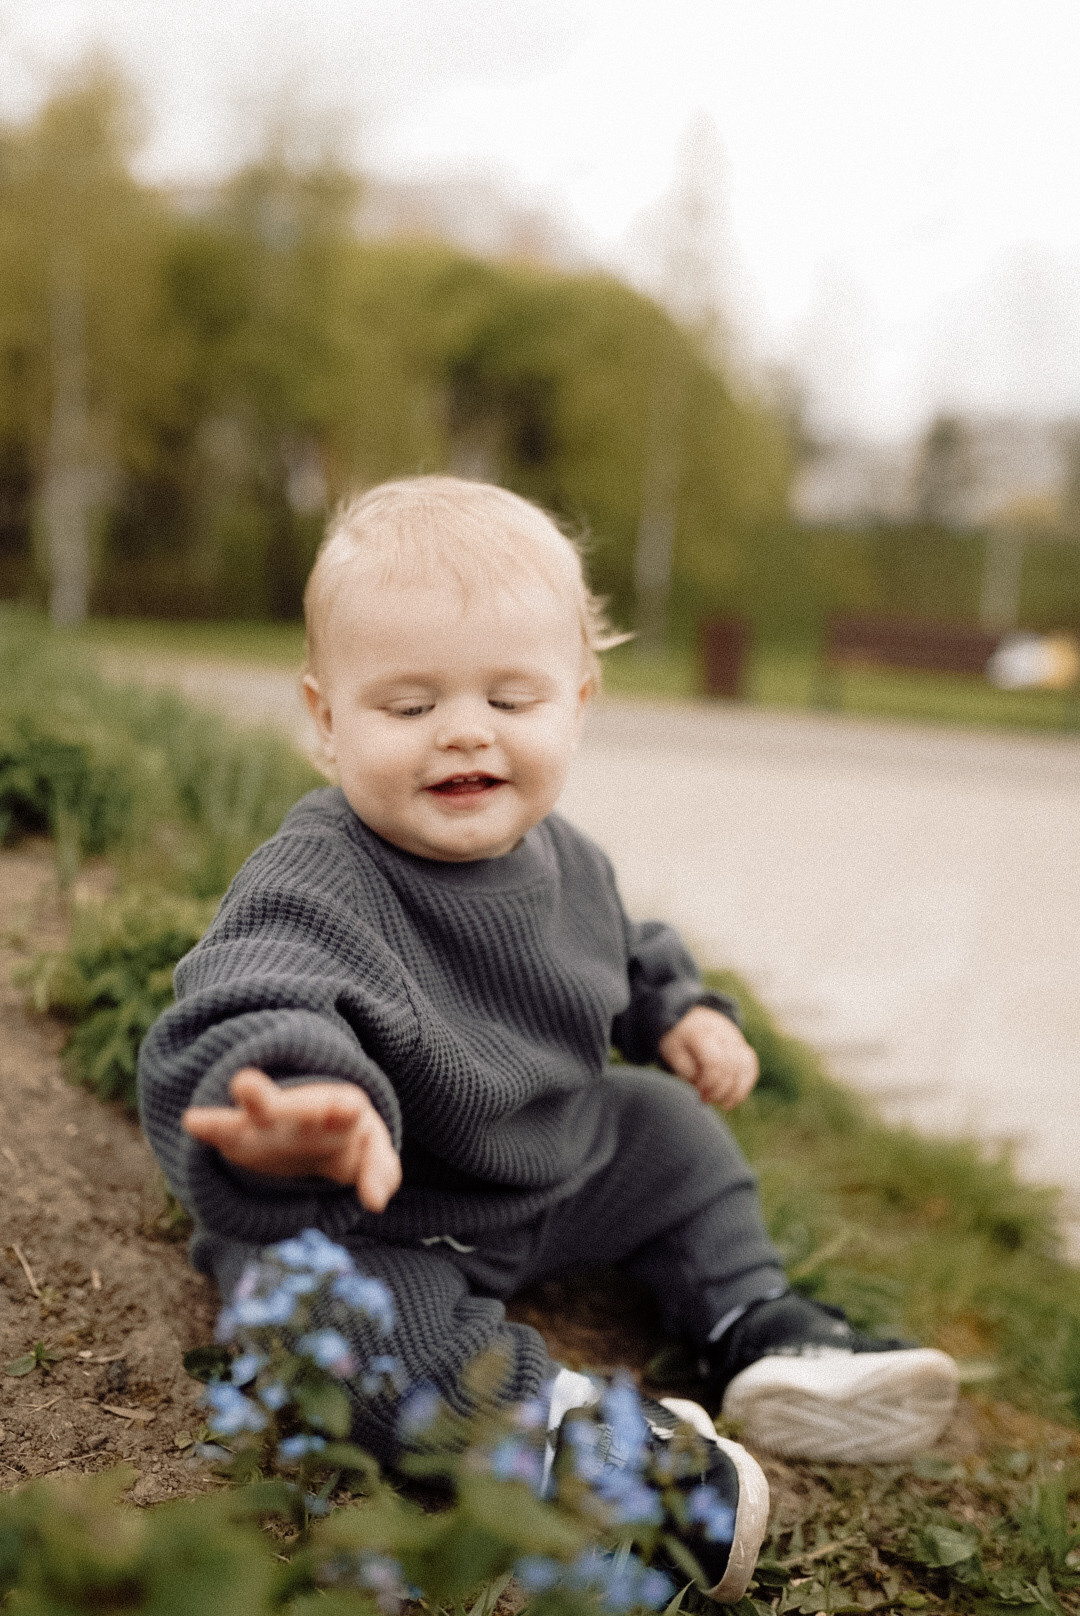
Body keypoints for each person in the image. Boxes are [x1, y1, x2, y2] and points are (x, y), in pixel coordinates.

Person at [137, 476, 958, 1602]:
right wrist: (289, 1107)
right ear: (327, 719)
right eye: (410, 705)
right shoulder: (321, 873)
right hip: (386, 1218)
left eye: (510, 699)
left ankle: (750, 1322)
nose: (464, 729)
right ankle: (579, 1440)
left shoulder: (567, 858)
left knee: (665, 1125)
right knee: (333, 1330)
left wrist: (680, 1010)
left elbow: (627, 948)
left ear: (577, 701)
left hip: (544, 1175)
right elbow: (247, 994)